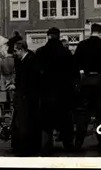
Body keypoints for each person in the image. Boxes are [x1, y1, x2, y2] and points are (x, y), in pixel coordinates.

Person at [36, 27, 78, 155]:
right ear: (59, 36)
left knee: (46, 122)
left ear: (48, 36)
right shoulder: (66, 53)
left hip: (46, 92)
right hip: (64, 93)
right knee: (66, 121)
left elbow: (36, 73)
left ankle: (46, 146)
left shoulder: (41, 52)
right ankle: (68, 145)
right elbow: (74, 73)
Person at [73, 23, 101, 153]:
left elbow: (75, 65)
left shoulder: (82, 45)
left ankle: (78, 143)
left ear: (91, 32)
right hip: (100, 85)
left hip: (85, 83)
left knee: (83, 116)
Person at [11, 40, 42, 157]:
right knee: (26, 122)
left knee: (25, 123)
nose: (14, 53)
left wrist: (16, 86)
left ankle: (27, 148)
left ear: (21, 49)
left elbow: (30, 80)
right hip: (26, 96)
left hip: (28, 97)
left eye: (15, 51)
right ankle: (27, 147)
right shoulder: (26, 59)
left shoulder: (30, 61)